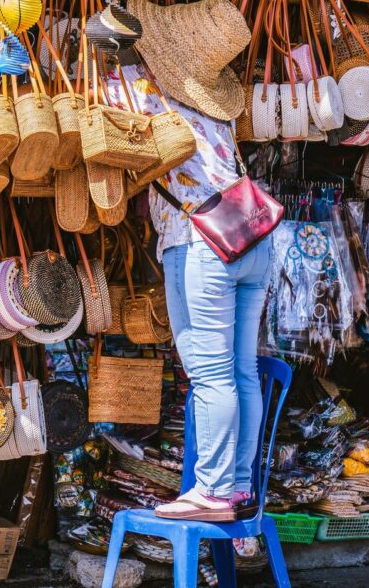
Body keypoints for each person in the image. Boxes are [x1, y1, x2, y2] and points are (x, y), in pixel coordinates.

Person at [106, 63, 273, 523]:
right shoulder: (208, 96)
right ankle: (239, 487)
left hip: (199, 239)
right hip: (251, 236)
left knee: (212, 375)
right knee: (241, 371)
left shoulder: (131, 88)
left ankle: (213, 491)